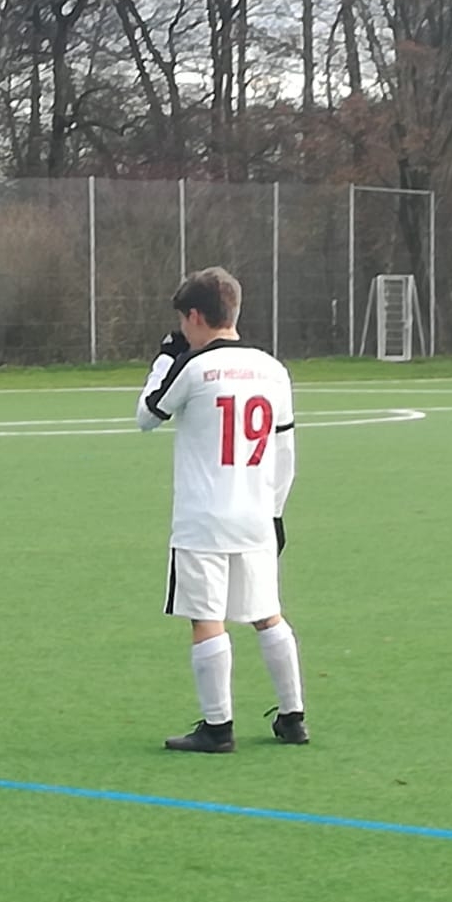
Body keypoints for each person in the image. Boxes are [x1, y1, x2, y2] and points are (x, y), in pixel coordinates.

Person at [136, 266, 308, 753]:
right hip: (256, 514)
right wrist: (275, 513)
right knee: (267, 614)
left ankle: (218, 727)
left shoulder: (194, 367)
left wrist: (165, 358)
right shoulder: (273, 369)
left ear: (195, 316)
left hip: (204, 519)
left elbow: (148, 414)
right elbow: (285, 453)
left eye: (182, 322)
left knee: (206, 617)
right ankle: (293, 716)